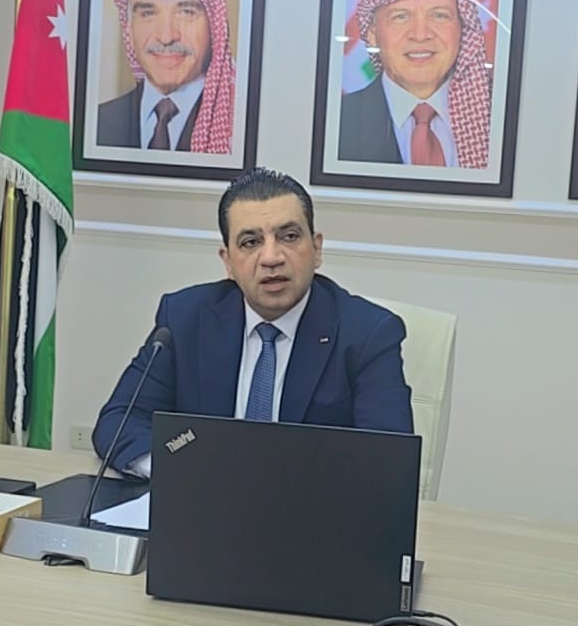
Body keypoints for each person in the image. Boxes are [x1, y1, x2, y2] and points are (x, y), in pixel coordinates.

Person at [93, 168, 414, 476]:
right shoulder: (184, 318)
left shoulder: (368, 334)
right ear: (228, 262)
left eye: (289, 236)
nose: (272, 257)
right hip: (204, 504)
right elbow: (119, 421)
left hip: (313, 507)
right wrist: (177, 472)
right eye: (250, 242)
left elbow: (387, 458)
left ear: (316, 249)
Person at [338, 0, 492, 169]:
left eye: (439, 15)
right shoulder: (337, 121)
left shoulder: (500, 117)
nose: (420, 35)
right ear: (372, 33)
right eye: (401, 17)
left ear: (463, 27)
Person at [95, 0, 236, 154]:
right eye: (148, 14)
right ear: (129, 28)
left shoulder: (237, 127)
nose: (166, 37)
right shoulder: (98, 123)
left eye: (186, 13)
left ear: (214, 28)